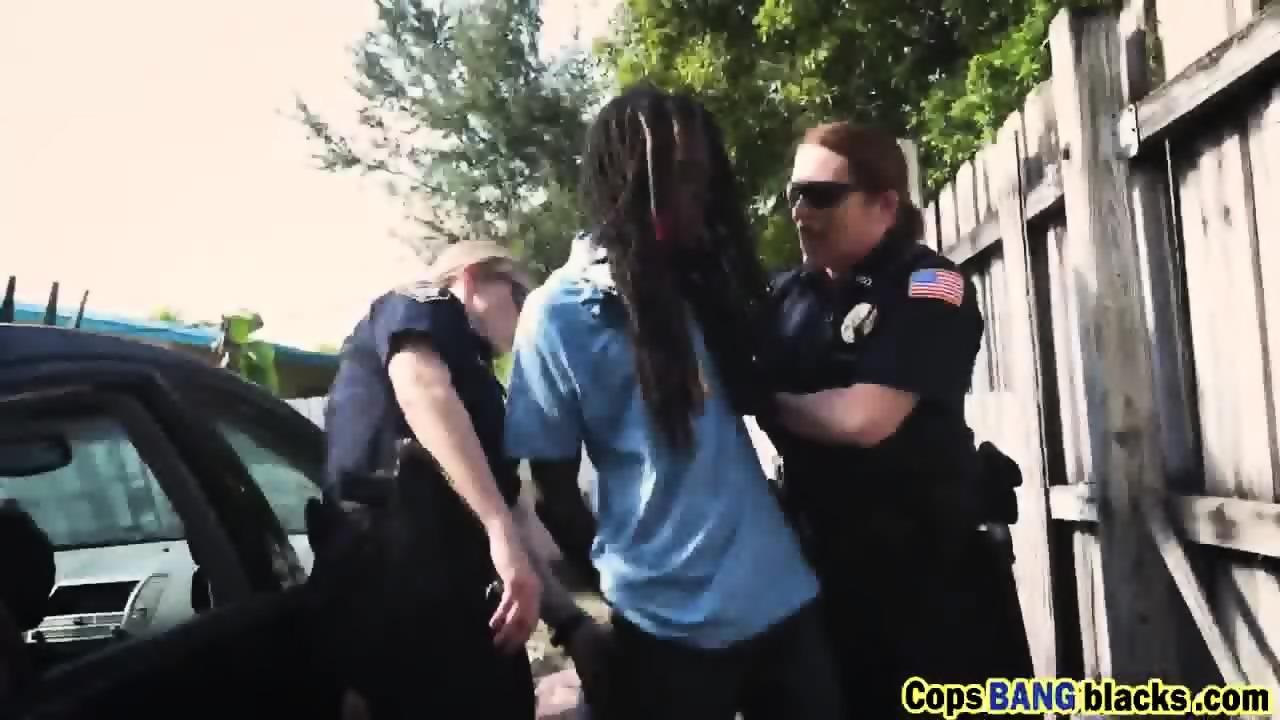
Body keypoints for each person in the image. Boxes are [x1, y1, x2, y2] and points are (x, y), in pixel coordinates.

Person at [503, 83, 845, 720]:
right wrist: (617, 593)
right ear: (629, 181)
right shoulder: (559, 316)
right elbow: (552, 493)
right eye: (681, 176)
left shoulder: (709, 287)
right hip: (663, 630)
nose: (700, 195)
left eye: (704, 177)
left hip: (780, 600)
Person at [759, 121, 1034, 718]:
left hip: (928, 582)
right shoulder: (784, 299)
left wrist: (760, 398)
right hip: (822, 578)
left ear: (885, 205)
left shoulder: (929, 286)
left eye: (822, 195)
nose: (801, 212)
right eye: (795, 195)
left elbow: (864, 419)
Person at [320, 240, 594, 718]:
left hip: (461, 603)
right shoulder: (424, 306)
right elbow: (420, 385)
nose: (527, 311)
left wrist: (570, 622)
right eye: (519, 294)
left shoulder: (480, 382)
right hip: (395, 588)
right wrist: (498, 530)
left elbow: (510, 508)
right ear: (471, 278)